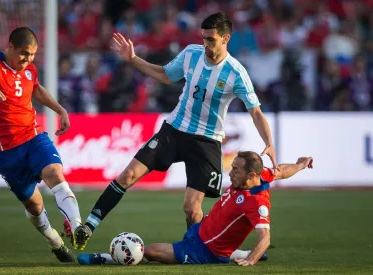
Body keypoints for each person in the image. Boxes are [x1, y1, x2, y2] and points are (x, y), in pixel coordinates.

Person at [74, 12, 279, 249]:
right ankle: (87, 227)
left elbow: (255, 111)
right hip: (174, 129)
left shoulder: (236, 73)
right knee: (127, 175)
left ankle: (207, 250)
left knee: (192, 209)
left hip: (206, 141)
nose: (205, 44)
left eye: (211, 40)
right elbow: (164, 75)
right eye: (203, 38)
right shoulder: (192, 54)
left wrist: (270, 143)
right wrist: (133, 59)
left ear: (226, 38)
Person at [0, 27, 82, 262]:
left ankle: (78, 228)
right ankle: (55, 242)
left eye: (33, 55)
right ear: (10, 47)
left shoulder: (30, 70)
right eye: (24, 53)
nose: (28, 60)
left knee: (55, 172)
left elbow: (36, 88)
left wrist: (60, 109)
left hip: (33, 136)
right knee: (34, 206)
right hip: (6, 152)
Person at [77, 152, 314, 266]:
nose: (230, 173)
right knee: (192, 209)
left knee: (150, 252)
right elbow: (281, 170)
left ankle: (105, 258)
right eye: (232, 168)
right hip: (201, 229)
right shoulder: (260, 174)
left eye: (236, 171)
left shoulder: (257, 203)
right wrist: (302, 165)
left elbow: (265, 236)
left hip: (205, 250)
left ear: (250, 176)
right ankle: (238, 253)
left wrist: (251, 260)